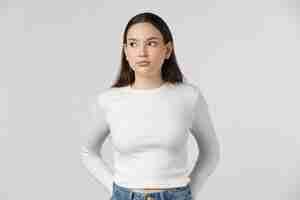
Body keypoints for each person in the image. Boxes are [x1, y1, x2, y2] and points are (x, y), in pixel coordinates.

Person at [80, 12, 221, 200]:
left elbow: (211, 152)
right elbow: (88, 151)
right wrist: (115, 189)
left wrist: (188, 194)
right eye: (133, 44)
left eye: (151, 43)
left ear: (167, 50)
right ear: (126, 52)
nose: (142, 52)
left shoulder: (188, 96)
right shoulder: (109, 101)